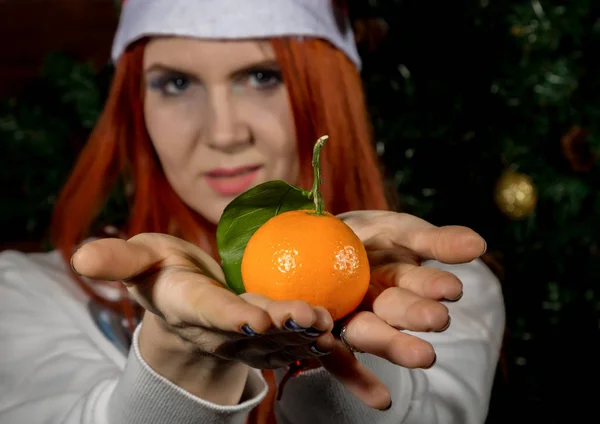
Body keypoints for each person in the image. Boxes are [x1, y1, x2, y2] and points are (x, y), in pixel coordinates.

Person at [0, 1, 505, 423]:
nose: (224, 133)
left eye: (263, 76)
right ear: (136, 105)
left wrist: (342, 348)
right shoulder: (26, 293)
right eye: (175, 83)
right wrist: (180, 357)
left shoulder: (439, 292)